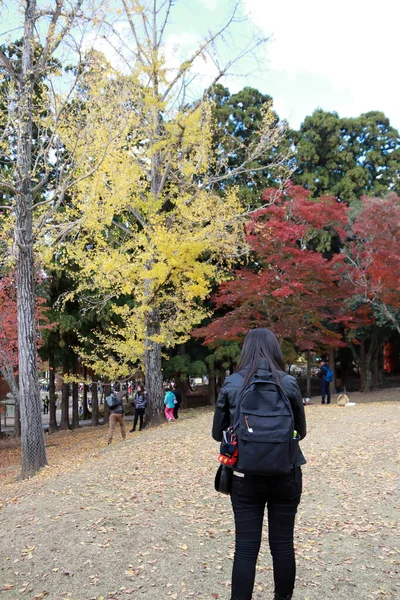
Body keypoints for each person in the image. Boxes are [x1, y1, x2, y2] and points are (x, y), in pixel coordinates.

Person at [212, 328, 307, 600]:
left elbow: (217, 432)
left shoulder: (232, 383)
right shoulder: (288, 382)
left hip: (243, 475)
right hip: (286, 472)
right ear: (275, 349)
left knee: (245, 548)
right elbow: (300, 431)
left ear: (246, 350)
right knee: (283, 545)